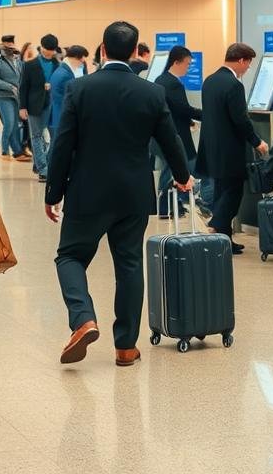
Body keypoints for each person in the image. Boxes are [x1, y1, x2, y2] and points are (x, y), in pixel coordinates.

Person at [45, 22, 190, 368]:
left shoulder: (80, 89)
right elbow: (172, 141)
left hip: (87, 192)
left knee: (70, 256)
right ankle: (125, 347)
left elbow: (63, 143)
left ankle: (83, 318)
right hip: (134, 194)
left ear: (103, 50)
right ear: (134, 49)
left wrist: (54, 191)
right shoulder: (151, 93)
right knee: (129, 264)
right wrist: (183, 177)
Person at [196, 42, 268, 254]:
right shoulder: (234, 85)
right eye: (248, 64)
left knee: (221, 190)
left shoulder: (210, 81)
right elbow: (240, 119)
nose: (247, 69)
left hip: (211, 147)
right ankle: (215, 225)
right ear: (241, 60)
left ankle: (224, 239)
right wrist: (257, 141)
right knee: (233, 192)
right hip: (230, 149)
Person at [153, 46, 202, 219]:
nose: (188, 68)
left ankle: (172, 205)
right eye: (187, 64)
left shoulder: (161, 79)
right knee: (173, 170)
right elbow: (182, 108)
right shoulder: (172, 83)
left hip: (167, 133)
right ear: (176, 62)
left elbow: (172, 108)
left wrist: (189, 120)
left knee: (173, 170)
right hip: (174, 135)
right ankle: (167, 207)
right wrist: (206, 115)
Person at [20, 34, 59, 182]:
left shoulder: (58, 65)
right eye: (47, 49)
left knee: (55, 136)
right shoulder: (30, 65)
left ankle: (41, 162)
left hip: (53, 105)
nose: (49, 52)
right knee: (36, 136)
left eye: (52, 50)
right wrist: (22, 107)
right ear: (42, 47)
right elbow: (23, 87)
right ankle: (43, 169)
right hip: (35, 104)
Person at [48, 45, 89, 153]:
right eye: (81, 60)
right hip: (62, 115)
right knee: (57, 149)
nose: (83, 62)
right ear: (75, 57)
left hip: (58, 114)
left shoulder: (62, 70)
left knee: (55, 146)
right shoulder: (65, 75)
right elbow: (68, 99)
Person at [0, 40, 27, 161]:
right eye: (8, 47)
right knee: (9, 123)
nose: (11, 50)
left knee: (16, 126)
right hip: (2, 96)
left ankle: (17, 151)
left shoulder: (18, 61)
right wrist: (10, 87)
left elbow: (21, 78)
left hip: (16, 97)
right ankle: (4, 150)